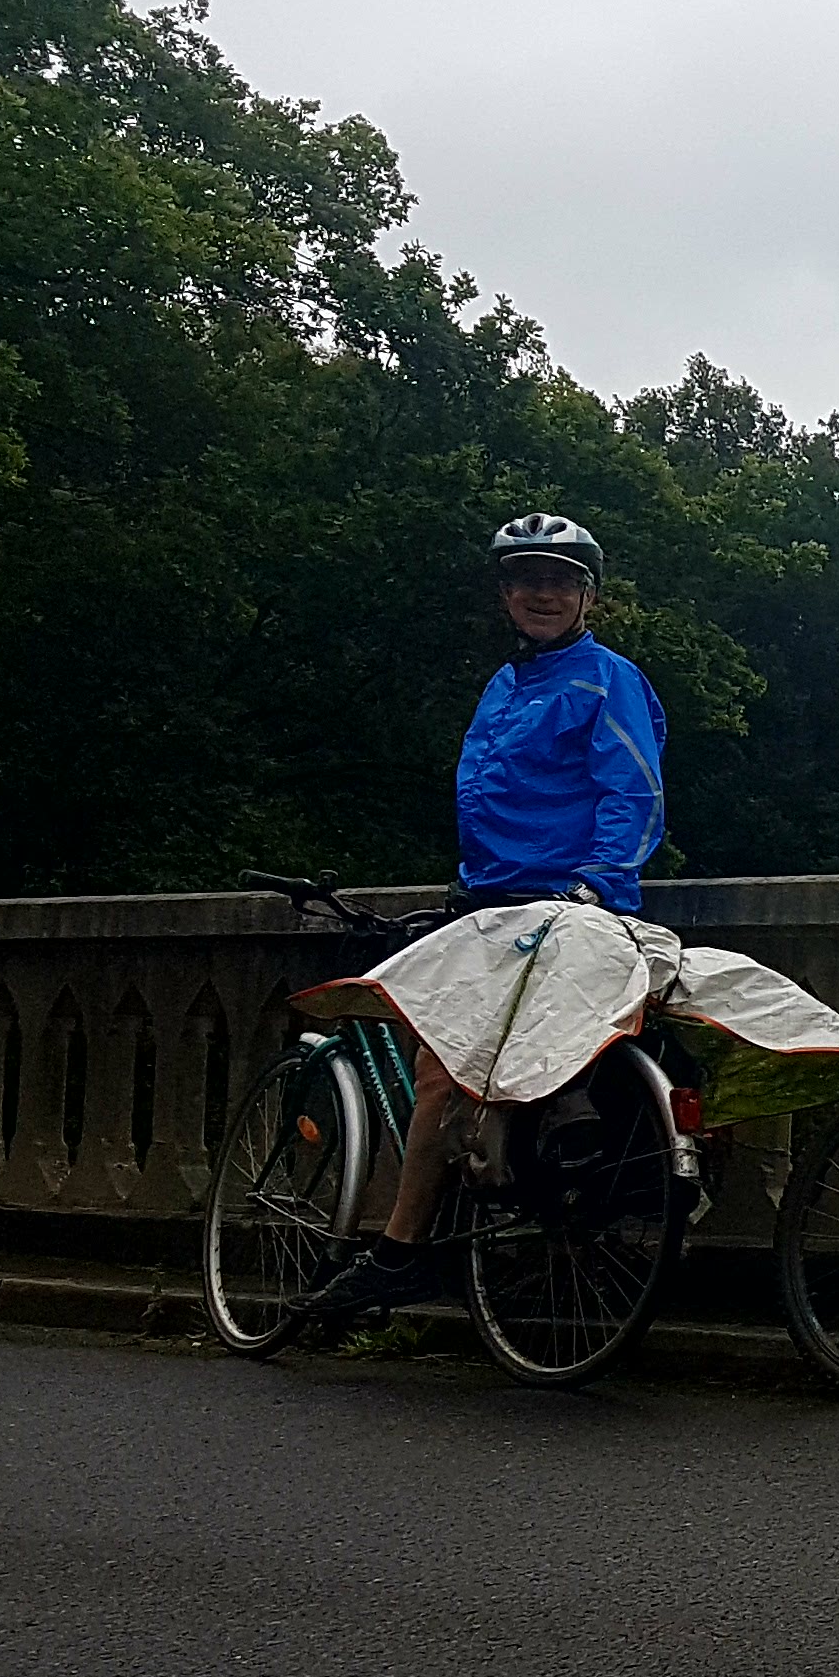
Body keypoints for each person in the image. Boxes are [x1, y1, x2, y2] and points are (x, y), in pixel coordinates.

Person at [316, 511, 673, 1317]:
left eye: (561, 581)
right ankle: (468, 1208)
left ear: (587, 596)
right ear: (506, 593)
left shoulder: (605, 676)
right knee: (439, 1060)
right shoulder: (504, 685)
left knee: (445, 1073)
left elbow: (634, 792)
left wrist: (593, 883)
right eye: (527, 580)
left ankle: (401, 1253)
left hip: (560, 905)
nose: (543, 594)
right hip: (488, 901)